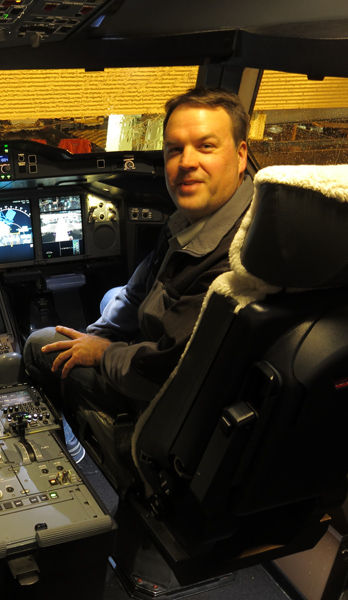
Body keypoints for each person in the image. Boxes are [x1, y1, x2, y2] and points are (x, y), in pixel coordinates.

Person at [23, 87, 253, 437]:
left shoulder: (231, 262)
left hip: (161, 395)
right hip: (163, 354)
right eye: (175, 149)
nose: (187, 162)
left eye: (206, 146)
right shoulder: (192, 220)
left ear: (240, 155)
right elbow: (138, 290)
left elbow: (162, 371)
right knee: (113, 296)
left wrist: (101, 353)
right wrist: (93, 338)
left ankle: (84, 441)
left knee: (39, 344)